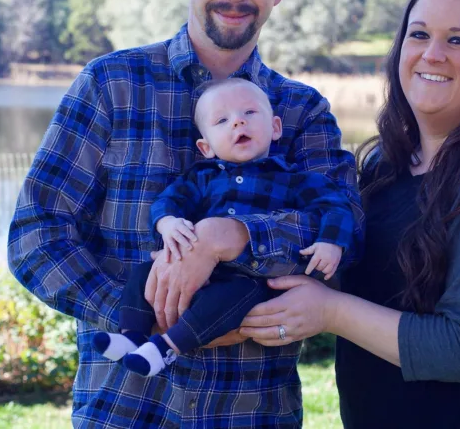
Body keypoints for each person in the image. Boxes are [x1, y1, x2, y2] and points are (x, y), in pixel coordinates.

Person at [7, 0, 363, 428]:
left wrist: (234, 235)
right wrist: (142, 319)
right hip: (123, 411)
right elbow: (36, 233)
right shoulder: (111, 85)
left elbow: (344, 234)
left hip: (251, 413)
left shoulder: (301, 110)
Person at [239, 0, 460, 429]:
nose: (432, 54)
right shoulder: (382, 168)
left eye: (458, 40)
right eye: (419, 34)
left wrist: (331, 311)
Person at [91, 78, 356, 377]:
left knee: (236, 296)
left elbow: (335, 207)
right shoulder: (202, 178)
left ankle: (166, 348)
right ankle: (132, 335)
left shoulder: (293, 180)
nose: (238, 121)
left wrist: (330, 242)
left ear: (276, 128)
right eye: (222, 120)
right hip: (189, 272)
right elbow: (168, 201)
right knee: (144, 273)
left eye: (250, 113)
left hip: (245, 278)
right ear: (206, 147)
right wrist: (167, 223)